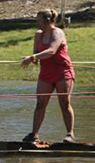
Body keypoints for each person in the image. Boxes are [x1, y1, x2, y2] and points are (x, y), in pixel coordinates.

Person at [21, 9, 76, 144]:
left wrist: (33, 57)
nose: (36, 22)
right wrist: (32, 59)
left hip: (62, 72)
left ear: (46, 20)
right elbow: (37, 54)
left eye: (38, 20)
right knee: (40, 104)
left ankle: (70, 134)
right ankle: (34, 135)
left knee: (64, 103)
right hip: (46, 73)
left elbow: (51, 51)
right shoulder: (38, 35)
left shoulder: (58, 33)